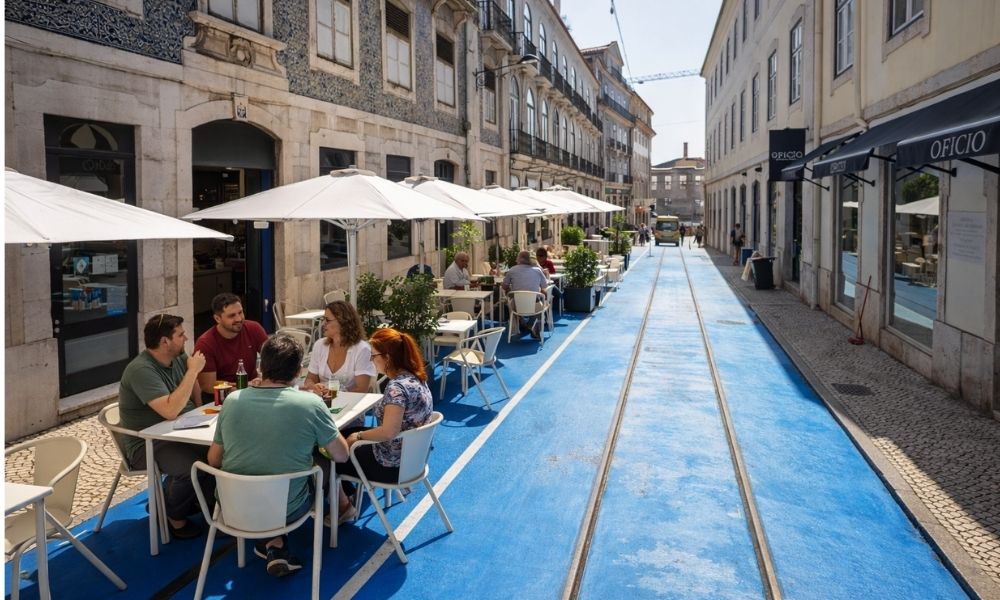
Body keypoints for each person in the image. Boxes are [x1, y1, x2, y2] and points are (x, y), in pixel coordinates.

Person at [208, 333, 350, 578]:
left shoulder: (231, 401)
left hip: (233, 506)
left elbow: (213, 460)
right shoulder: (310, 404)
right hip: (287, 509)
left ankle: (275, 544)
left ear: (262, 366)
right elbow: (341, 456)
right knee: (323, 464)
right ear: (298, 371)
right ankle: (281, 539)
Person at [119, 314, 211, 540]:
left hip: (180, 432)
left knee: (218, 454)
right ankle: (172, 517)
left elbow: (194, 386)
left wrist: (199, 413)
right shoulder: (141, 370)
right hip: (146, 443)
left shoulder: (178, 357)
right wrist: (193, 371)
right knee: (190, 467)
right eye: (180, 335)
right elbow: (169, 411)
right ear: (164, 341)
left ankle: (199, 504)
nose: (186, 338)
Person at [335, 328, 433, 522]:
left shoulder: (396, 388)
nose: (371, 360)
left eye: (374, 356)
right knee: (344, 434)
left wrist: (359, 437)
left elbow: (389, 431)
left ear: (387, 357)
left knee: (333, 452)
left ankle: (343, 505)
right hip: (412, 459)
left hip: (390, 464)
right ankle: (348, 494)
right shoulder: (417, 378)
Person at [194, 293, 268, 403]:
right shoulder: (205, 343)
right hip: (221, 398)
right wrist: (244, 386)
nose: (239, 318)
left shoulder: (254, 328)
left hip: (253, 392)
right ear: (217, 318)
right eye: (231, 316)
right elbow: (207, 386)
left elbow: (274, 358)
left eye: (240, 312)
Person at [303, 300, 376, 396]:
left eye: (327, 320)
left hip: (351, 406)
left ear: (343, 322)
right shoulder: (319, 345)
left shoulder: (361, 349)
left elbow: (361, 389)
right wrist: (313, 386)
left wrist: (334, 395)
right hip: (322, 403)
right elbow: (310, 378)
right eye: (323, 319)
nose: (323, 323)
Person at [501, 250, 548, 340]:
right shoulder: (537, 270)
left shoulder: (512, 270)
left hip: (517, 306)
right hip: (534, 305)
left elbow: (504, 286)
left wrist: (509, 287)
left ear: (518, 259)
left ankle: (520, 323)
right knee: (541, 299)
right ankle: (532, 324)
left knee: (509, 301)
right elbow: (544, 286)